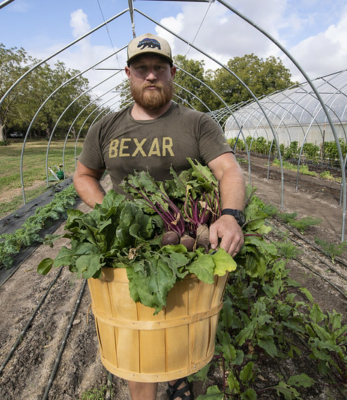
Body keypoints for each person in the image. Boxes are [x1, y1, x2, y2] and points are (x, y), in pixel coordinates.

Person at [73, 33, 246, 400]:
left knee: (177, 330)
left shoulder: (197, 123)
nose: (150, 75)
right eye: (142, 69)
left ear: (172, 73)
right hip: (130, 250)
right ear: (129, 74)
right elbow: (83, 176)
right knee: (142, 339)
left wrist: (230, 215)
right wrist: (110, 214)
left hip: (186, 248)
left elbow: (229, 170)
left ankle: (177, 378)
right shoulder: (105, 126)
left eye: (159, 68)